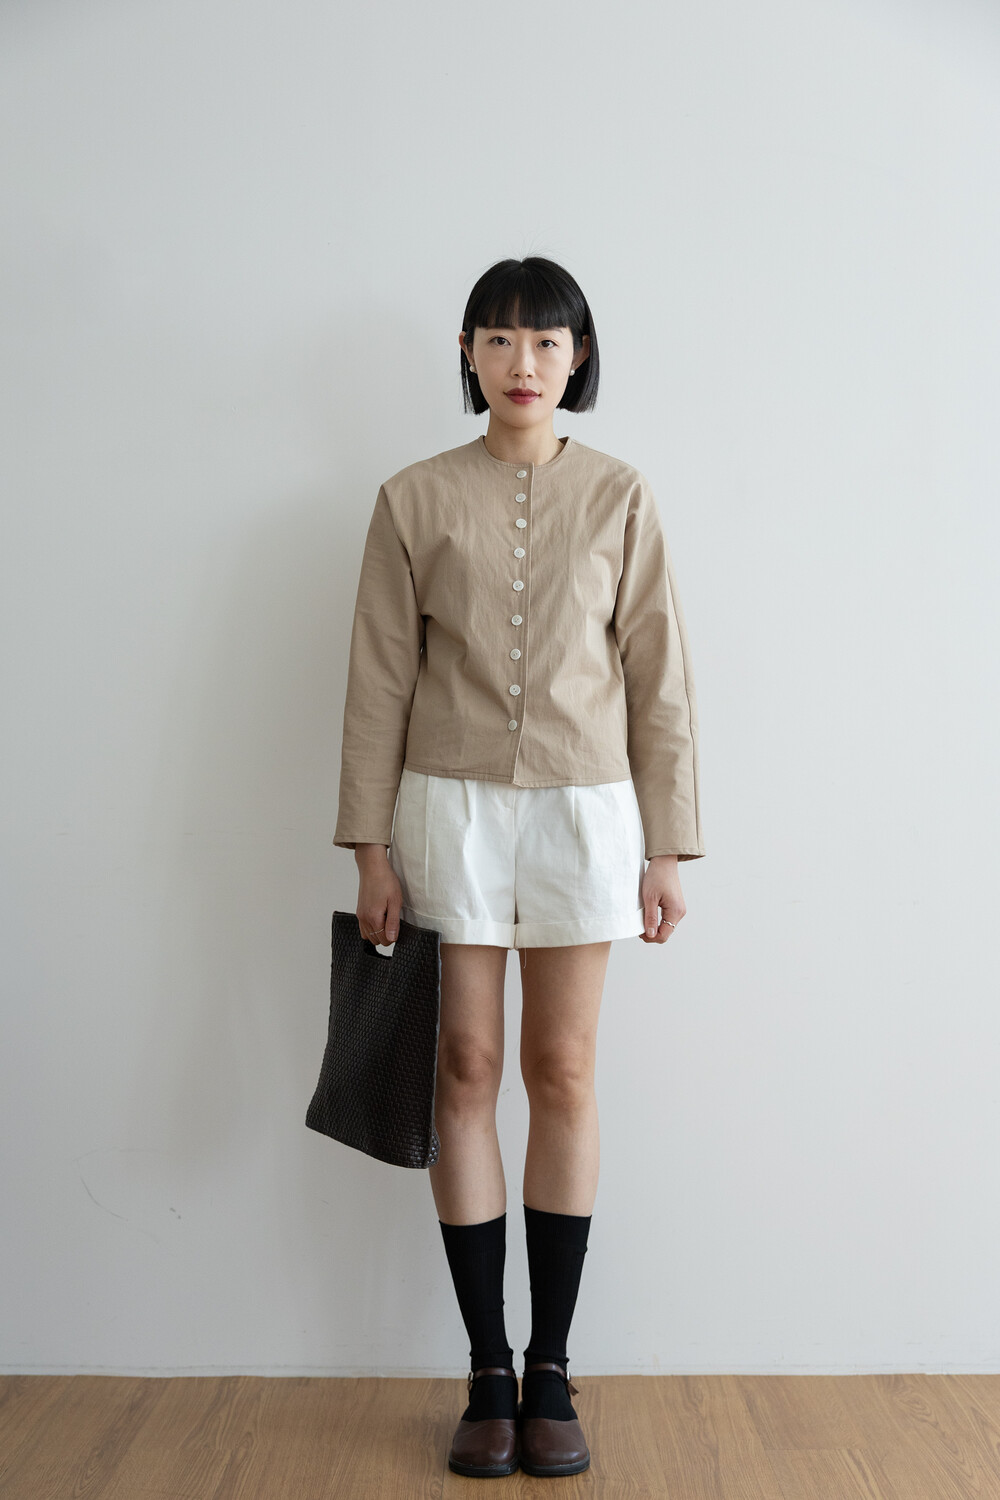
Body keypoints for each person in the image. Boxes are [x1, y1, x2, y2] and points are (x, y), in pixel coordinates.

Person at [332, 256, 706, 1478]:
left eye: (546, 342)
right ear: (467, 354)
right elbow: (379, 681)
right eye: (498, 340)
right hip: (445, 810)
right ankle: (486, 1368)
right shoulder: (411, 498)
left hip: (587, 812)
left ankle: (552, 1367)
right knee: (464, 1065)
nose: (523, 363)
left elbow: (658, 679)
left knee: (563, 1068)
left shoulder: (621, 496)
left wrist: (666, 845)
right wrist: (369, 847)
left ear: (577, 357)